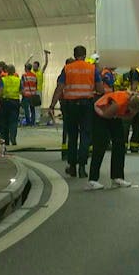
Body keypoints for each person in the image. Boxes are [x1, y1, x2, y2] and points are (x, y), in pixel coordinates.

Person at [49, 46, 103, 178]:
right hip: (87, 105)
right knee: (85, 135)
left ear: (74, 55)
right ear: (85, 55)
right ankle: (82, 167)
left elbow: (59, 88)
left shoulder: (67, 68)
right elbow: (100, 89)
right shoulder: (92, 69)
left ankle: (72, 166)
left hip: (71, 106)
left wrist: (52, 105)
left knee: (72, 136)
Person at [87, 91, 139, 190]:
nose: (133, 113)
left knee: (119, 144)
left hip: (114, 115)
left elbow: (129, 116)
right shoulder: (119, 104)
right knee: (100, 144)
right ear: (129, 105)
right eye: (132, 110)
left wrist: (124, 115)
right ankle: (93, 180)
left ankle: (117, 177)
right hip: (101, 112)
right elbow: (107, 115)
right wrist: (119, 116)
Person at [0, 64, 22, 145]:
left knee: (5, 121)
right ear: (14, 71)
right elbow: (21, 91)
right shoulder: (18, 80)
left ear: (6, 71)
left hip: (5, 101)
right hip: (15, 102)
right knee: (13, 121)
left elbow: (1, 91)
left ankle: (6, 140)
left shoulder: (3, 79)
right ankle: (13, 138)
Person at [30, 51, 50, 125]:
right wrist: (30, 58)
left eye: (35, 66)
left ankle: (37, 119)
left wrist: (46, 55)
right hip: (32, 91)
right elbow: (26, 65)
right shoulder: (31, 72)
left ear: (38, 66)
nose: (34, 67)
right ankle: (32, 118)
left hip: (38, 90)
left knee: (37, 105)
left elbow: (46, 64)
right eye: (33, 65)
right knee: (32, 105)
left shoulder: (40, 72)